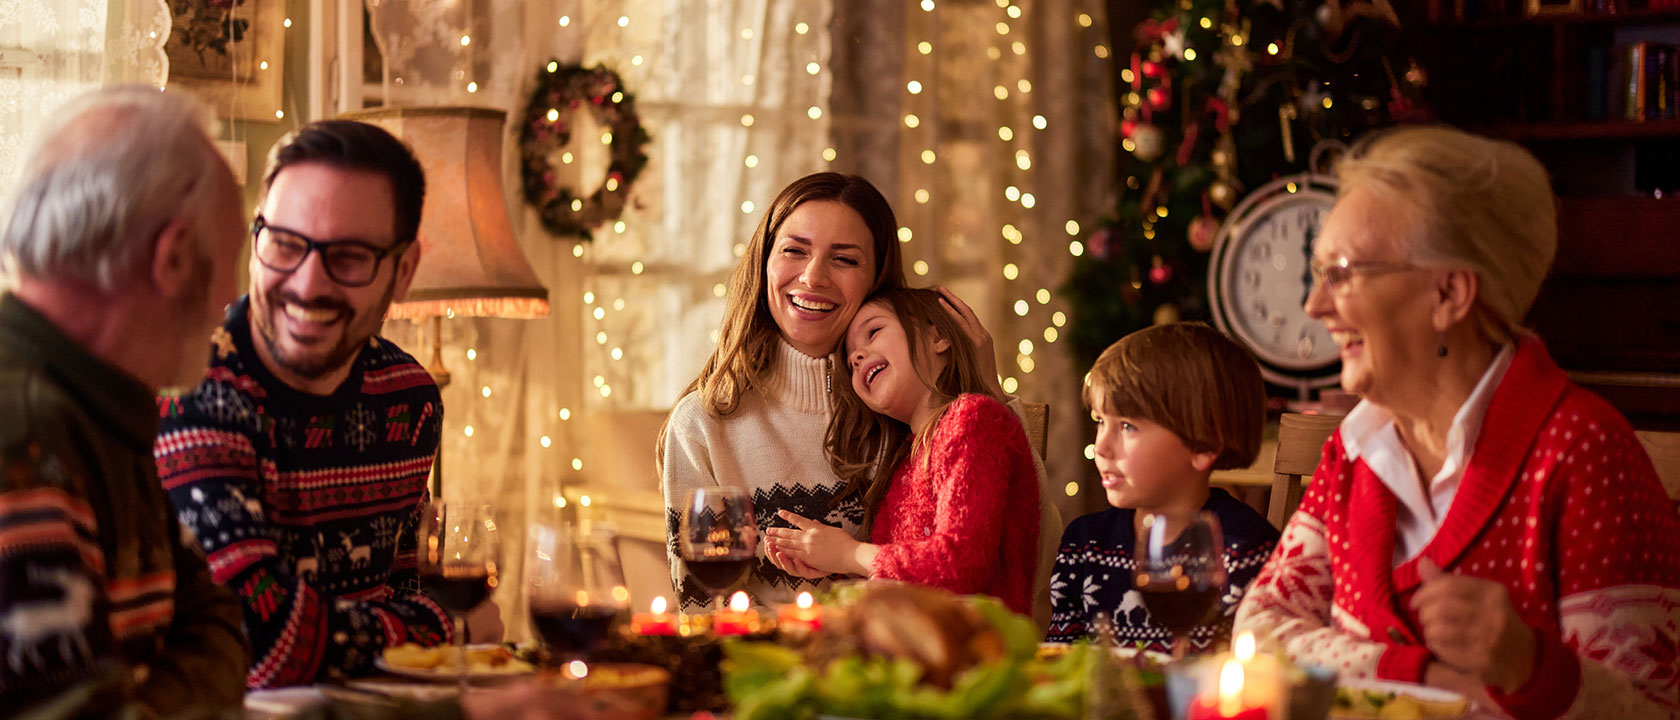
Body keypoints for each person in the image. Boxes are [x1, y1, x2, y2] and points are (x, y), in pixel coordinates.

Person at [1234, 126, 1680, 717]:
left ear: (1448, 294)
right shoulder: (1357, 448)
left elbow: (1654, 710)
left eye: (1341, 273)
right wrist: (1420, 676)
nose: (1315, 306)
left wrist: (1531, 669)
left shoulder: (1583, 453)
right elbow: (1260, 629)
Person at [154, 120, 500, 689]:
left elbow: (410, 587)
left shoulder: (410, 398)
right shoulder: (194, 389)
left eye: (350, 256)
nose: (308, 284)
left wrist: (420, 623)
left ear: (404, 271)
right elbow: (260, 643)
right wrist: (450, 627)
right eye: (285, 244)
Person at [0, 86, 249, 717]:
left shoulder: (101, 404)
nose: (234, 299)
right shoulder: (24, 433)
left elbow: (218, 623)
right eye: (231, 265)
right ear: (170, 258)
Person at [765, 287, 1042, 616]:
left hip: (978, 650)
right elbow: (904, 571)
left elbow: (960, 567)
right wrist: (831, 563)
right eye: (851, 361)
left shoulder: (975, 419)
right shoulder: (904, 460)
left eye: (874, 331)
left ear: (938, 337)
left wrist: (850, 554)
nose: (856, 357)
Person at [1042, 323, 1279, 653]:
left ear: (1203, 444)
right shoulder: (1085, 543)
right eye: (1100, 421)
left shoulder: (1244, 552)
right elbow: (1060, 661)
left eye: (1127, 426)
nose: (1101, 447)